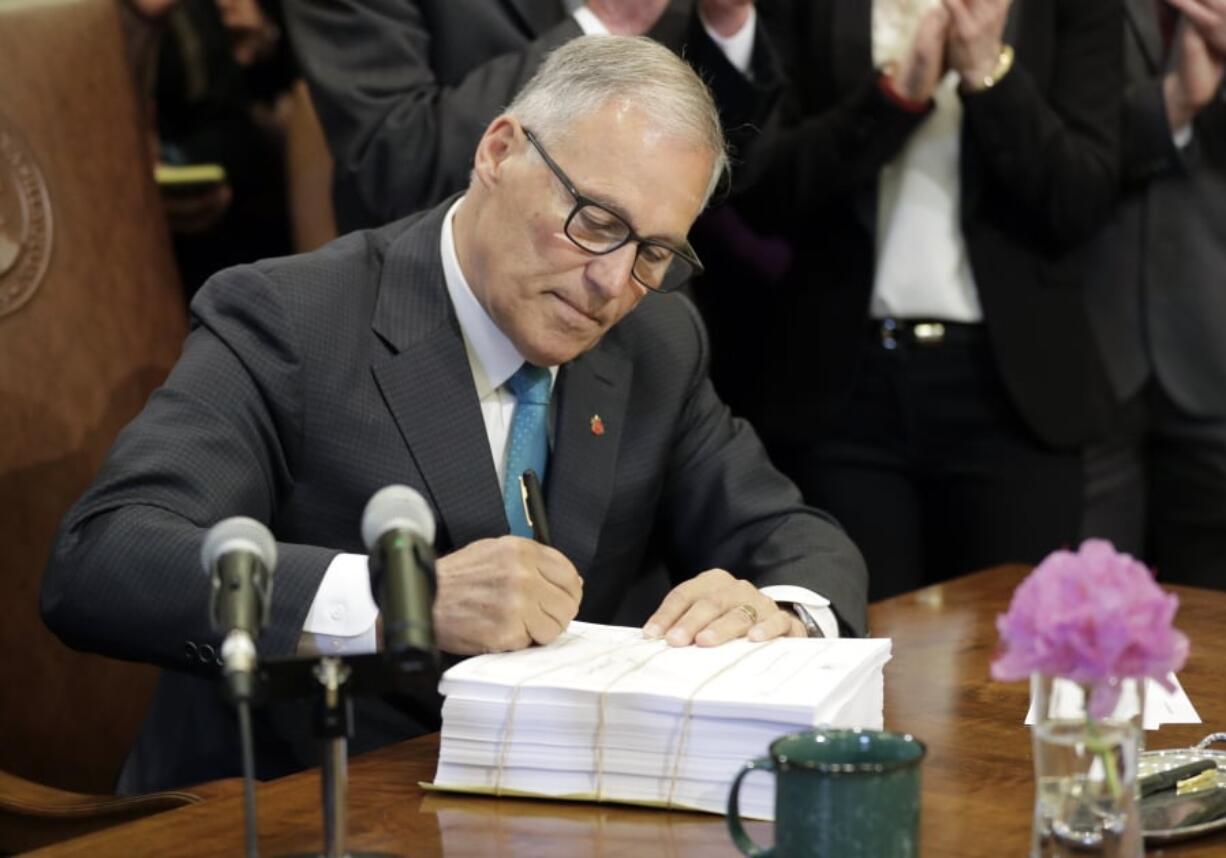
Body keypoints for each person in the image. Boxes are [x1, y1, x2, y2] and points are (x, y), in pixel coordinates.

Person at [41, 35, 867, 793]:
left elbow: (795, 536)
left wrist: (783, 611)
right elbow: (105, 559)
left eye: (653, 251)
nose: (614, 286)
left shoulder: (656, 338)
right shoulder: (292, 318)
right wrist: (397, 599)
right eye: (597, 223)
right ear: (499, 151)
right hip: (290, 805)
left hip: (555, 807)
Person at [700, 0, 1123, 601]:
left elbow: (1082, 197)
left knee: (1013, 665)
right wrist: (895, 98)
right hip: (841, 389)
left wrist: (988, 74)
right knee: (855, 651)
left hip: (1013, 393)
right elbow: (763, 187)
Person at [283, 0, 775, 233]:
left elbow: (739, 171)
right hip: (438, 321)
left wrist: (725, 21)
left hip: (637, 330)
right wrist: (609, 22)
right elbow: (400, 163)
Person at [1082, 2, 1226, 587]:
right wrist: (1172, 105)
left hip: (1215, 342)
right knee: (1084, 630)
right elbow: (1054, 135)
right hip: (1087, 350)